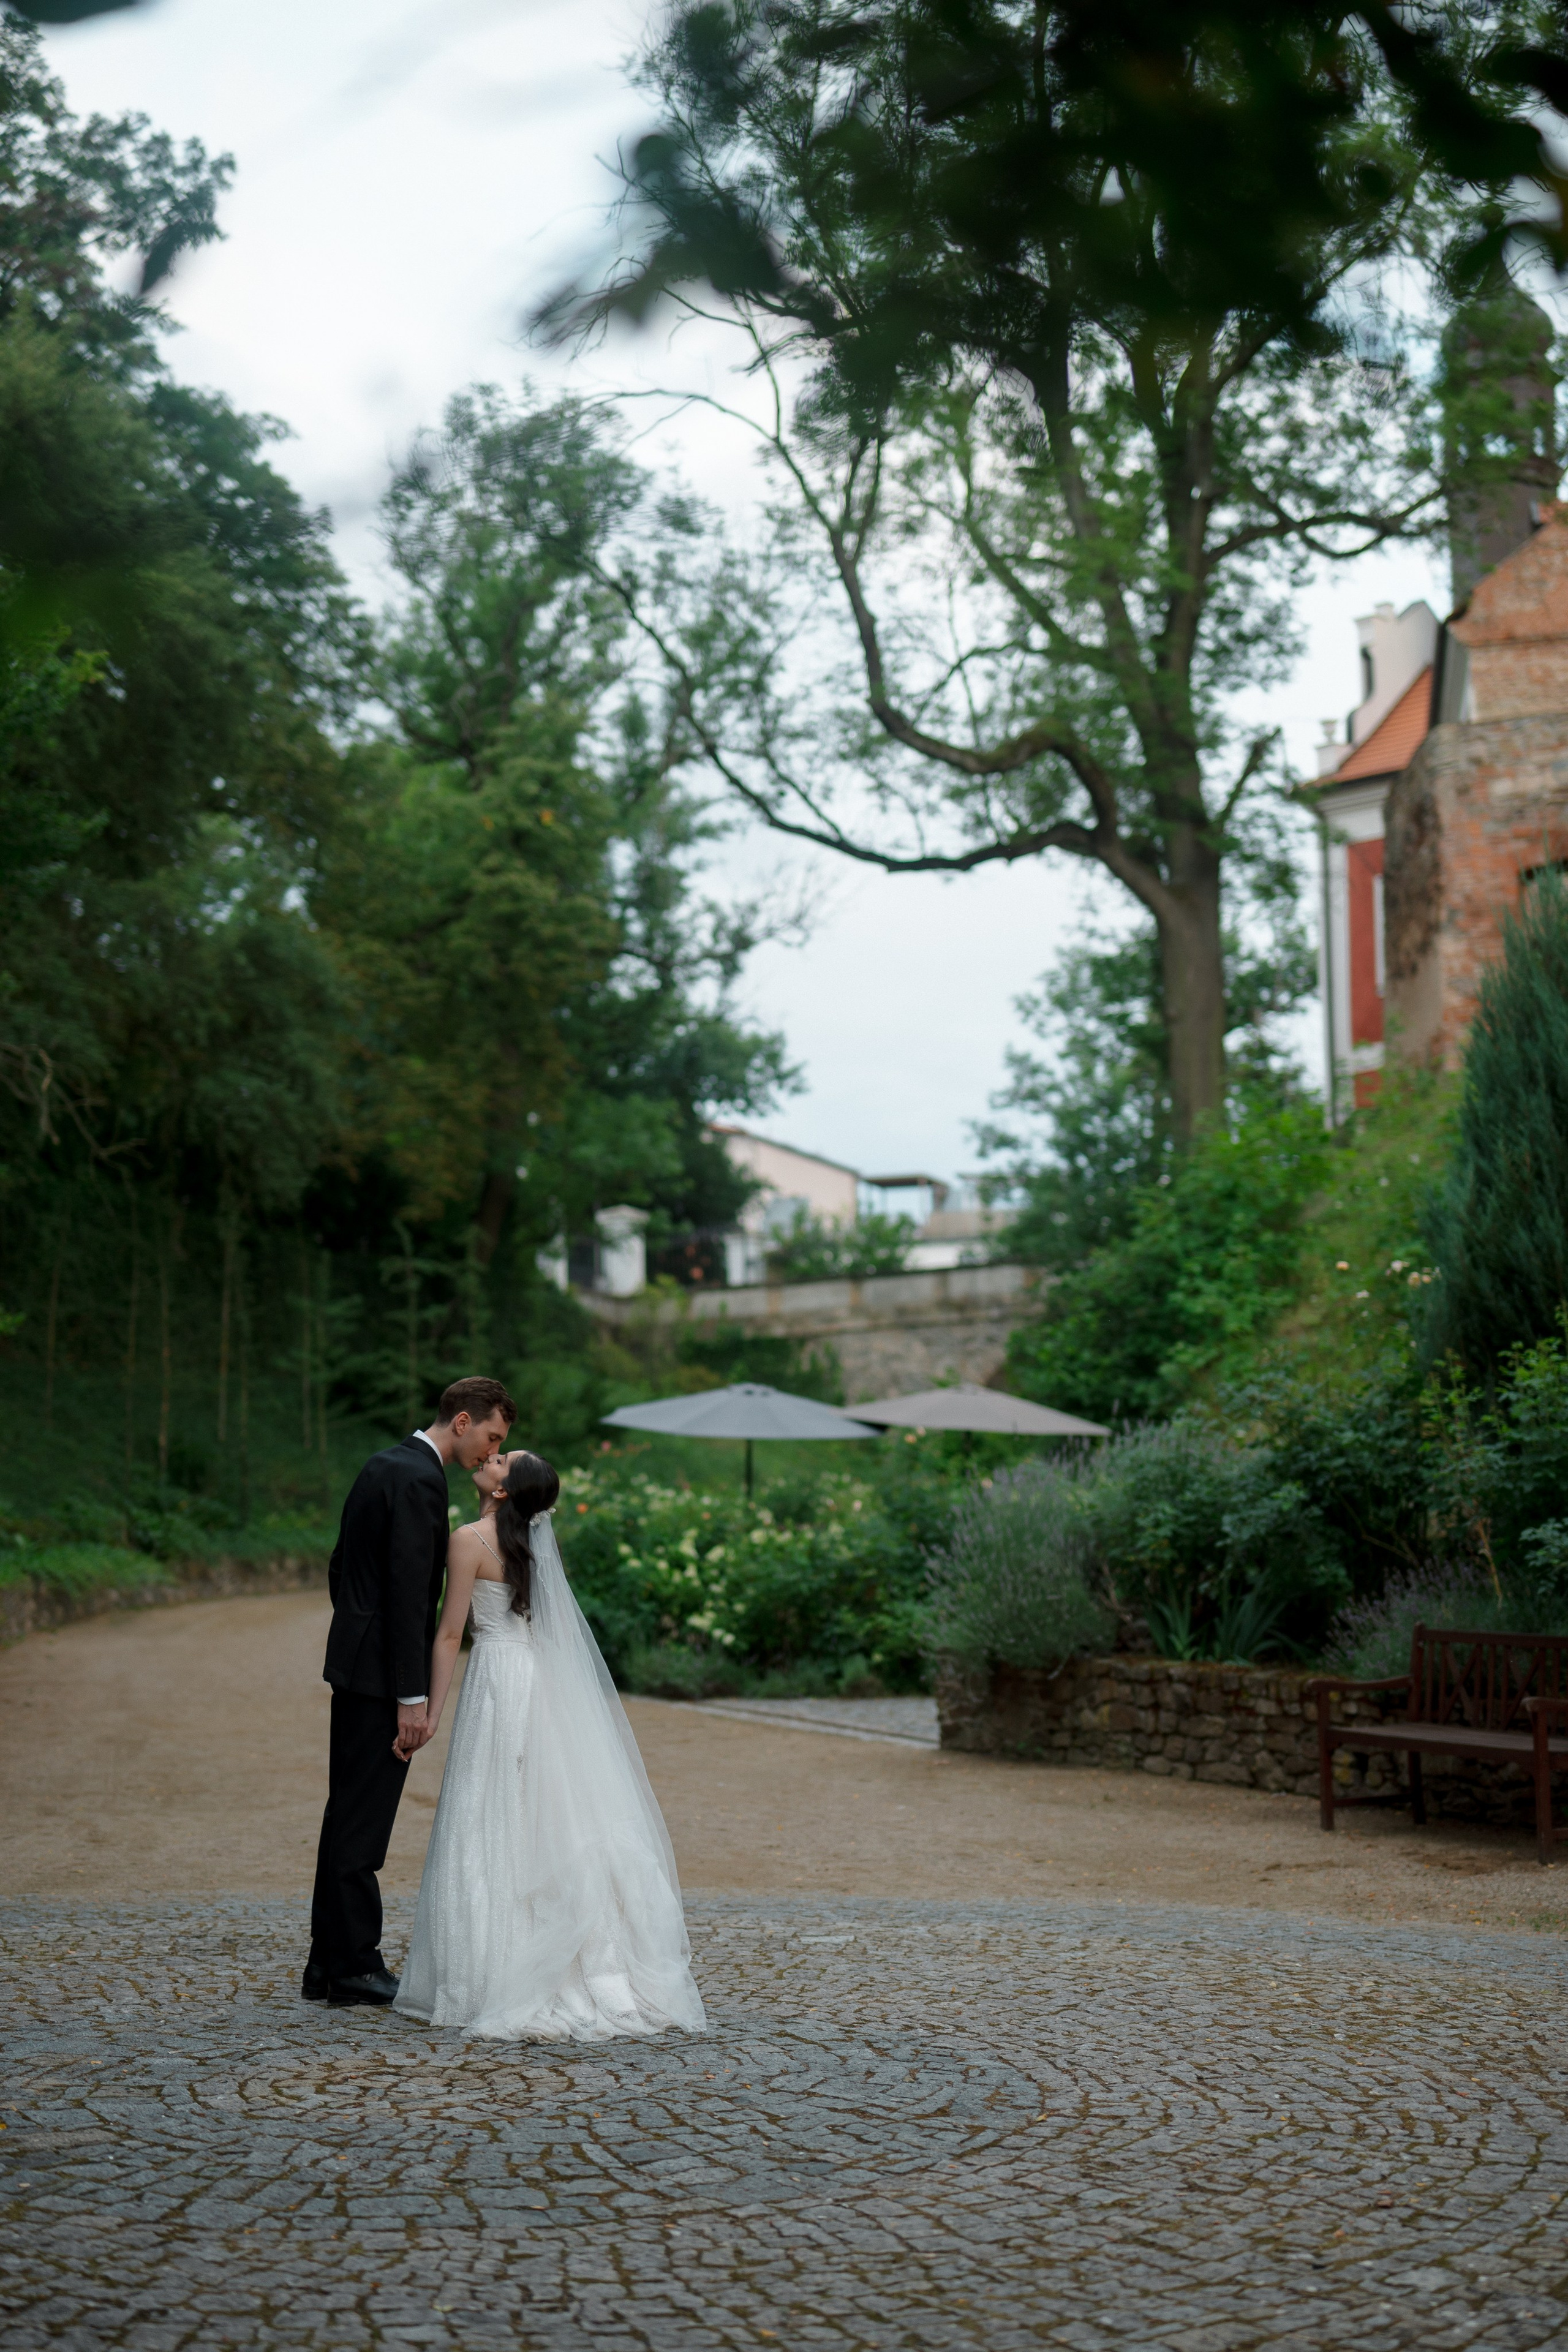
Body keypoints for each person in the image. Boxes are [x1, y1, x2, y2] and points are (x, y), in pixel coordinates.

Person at [394, 1449, 706, 2041]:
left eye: (502, 1459)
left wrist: (430, 1711)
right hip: (539, 1680)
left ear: (506, 1491)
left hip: (498, 1684)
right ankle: (574, 1959)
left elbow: (450, 1633)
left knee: (491, 1812)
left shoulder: (469, 1540)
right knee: (542, 1814)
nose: (491, 1457)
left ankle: (489, 1970)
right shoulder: (535, 1543)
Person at [303, 1376, 516, 2009]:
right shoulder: (422, 1480)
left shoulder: (382, 1465)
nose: (490, 1450)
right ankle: (355, 1967)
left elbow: (343, 1567)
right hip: (382, 1683)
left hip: (356, 1668)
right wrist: (411, 1695)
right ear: (461, 1422)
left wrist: (356, 1633)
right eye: (492, 1436)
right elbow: (407, 1594)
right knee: (363, 1826)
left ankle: (327, 1965)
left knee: (344, 1812)